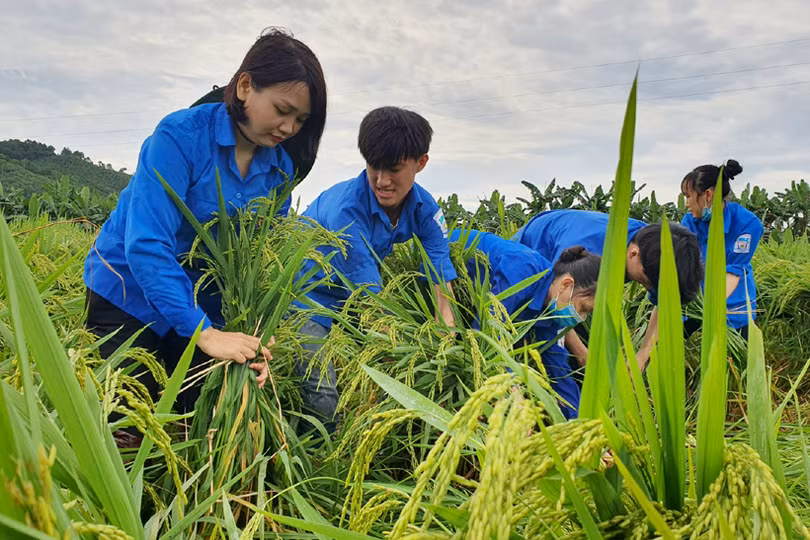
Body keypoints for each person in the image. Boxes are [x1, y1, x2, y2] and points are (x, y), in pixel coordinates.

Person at [83, 28, 328, 413]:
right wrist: (205, 333)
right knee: (124, 420)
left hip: (204, 306)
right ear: (245, 86)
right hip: (129, 293)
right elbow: (146, 244)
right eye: (282, 110)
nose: (289, 128)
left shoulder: (279, 170)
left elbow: (259, 262)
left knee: (193, 419)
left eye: (301, 119)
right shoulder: (179, 137)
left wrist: (256, 336)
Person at [295, 106, 457, 432]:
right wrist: (410, 356)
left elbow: (441, 279)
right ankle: (320, 455)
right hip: (305, 299)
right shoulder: (346, 211)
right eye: (374, 168)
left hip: (350, 299)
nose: (382, 181)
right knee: (324, 394)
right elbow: (372, 302)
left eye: (394, 170)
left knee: (366, 386)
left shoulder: (426, 210)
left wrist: (447, 344)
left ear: (421, 163)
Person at [512, 210, 703, 371]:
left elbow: (663, 304)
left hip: (574, 288)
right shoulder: (586, 250)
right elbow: (558, 302)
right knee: (532, 344)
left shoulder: (654, 249)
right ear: (633, 254)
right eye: (647, 282)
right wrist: (581, 353)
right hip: (528, 265)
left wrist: (642, 356)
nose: (649, 288)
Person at [451, 228, 600, 419]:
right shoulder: (522, 271)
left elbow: (558, 368)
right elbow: (486, 335)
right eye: (583, 308)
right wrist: (514, 395)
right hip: (443, 259)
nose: (581, 317)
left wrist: (578, 423)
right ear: (566, 285)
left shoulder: (550, 312)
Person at [680, 160, 763, 339]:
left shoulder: (747, 224)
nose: (686, 203)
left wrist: (711, 308)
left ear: (708, 194)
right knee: (670, 341)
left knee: (742, 353)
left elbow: (733, 271)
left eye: (688, 196)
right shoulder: (689, 222)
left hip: (734, 307)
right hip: (696, 301)